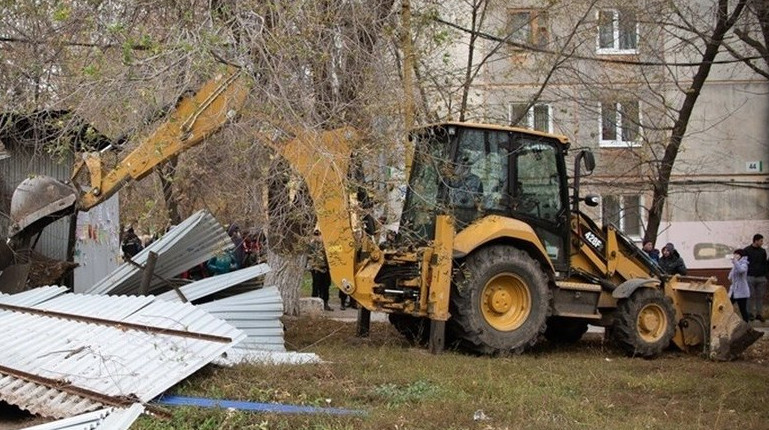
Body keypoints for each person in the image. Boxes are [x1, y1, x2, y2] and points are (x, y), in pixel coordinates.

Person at [743, 234, 768, 322]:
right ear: (756, 241)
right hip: (750, 276)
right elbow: (743, 263)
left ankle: (759, 314)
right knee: (750, 295)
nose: (762, 242)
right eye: (761, 241)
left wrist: (765, 275)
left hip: (761, 277)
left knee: (760, 296)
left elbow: (765, 263)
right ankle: (749, 313)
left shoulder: (763, 251)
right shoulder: (747, 250)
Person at [308, 230, 333, 311]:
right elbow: (309, 257)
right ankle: (314, 304)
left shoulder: (326, 244)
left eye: (319, 235)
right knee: (316, 286)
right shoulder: (312, 245)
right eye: (316, 235)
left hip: (325, 268)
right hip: (316, 268)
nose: (318, 237)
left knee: (326, 286)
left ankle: (325, 303)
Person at [728, 249, 751, 322]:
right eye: (734, 254)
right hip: (734, 290)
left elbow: (741, 270)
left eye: (737, 254)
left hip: (742, 291)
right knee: (727, 306)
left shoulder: (744, 264)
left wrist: (735, 262)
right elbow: (730, 276)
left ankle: (746, 324)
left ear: (741, 255)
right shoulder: (736, 264)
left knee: (742, 309)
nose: (735, 256)